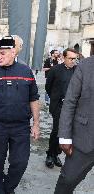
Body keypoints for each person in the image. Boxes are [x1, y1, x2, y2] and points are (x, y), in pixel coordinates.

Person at [0, 36, 40, 194]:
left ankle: (7, 188)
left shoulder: (26, 72)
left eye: (2, 53)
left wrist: (37, 124)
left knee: (20, 163)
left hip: (20, 127)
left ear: (13, 52)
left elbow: (34, 99)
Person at [54, 55, 94, 194]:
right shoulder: (86, 65)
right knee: (67, 181)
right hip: (85, 137)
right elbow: (70, 101)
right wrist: (64, 136)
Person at [45, 48, 78, 169]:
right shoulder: (55, 70)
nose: (73, 61)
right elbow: (48, 87)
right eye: (70, 58)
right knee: (57, 130)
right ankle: (49, 154)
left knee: (66, 131)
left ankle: (56, 154)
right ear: (64, 58)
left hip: (72, 107)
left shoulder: (77, 70)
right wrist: (55, 98)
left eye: (75, 59)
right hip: (58, 105)